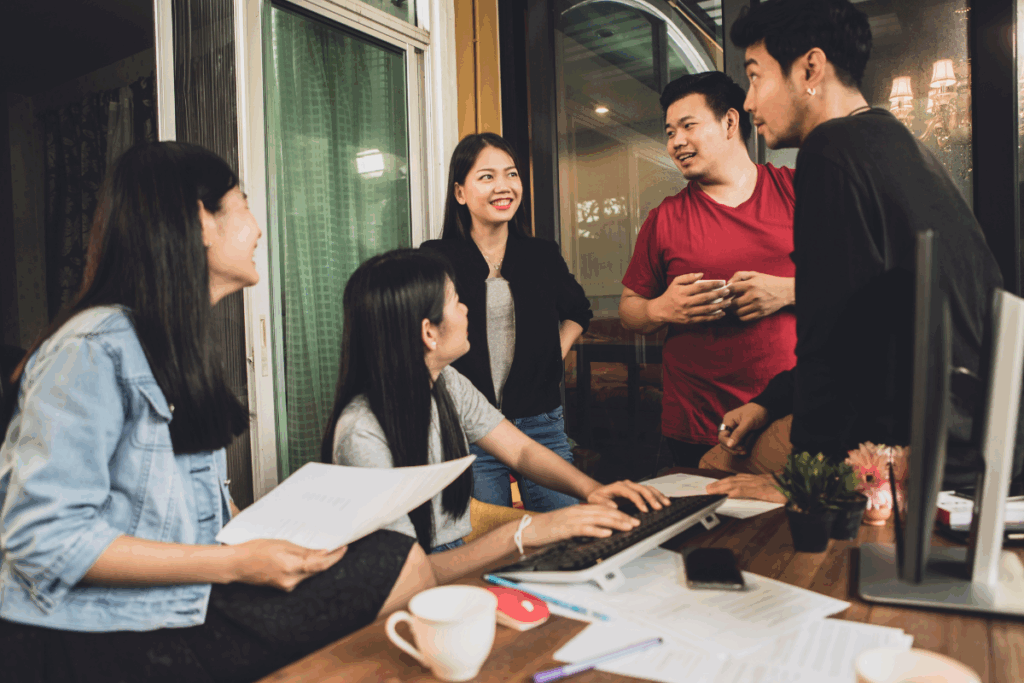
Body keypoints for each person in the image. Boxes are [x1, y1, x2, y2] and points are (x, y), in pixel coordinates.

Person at [0, 141, 438, 683]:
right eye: (244, 204)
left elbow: (187, 509)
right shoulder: (91, 348)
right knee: (400, 564)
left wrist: (270, 540)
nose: (257, 230)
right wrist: (234, 564)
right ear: (201, 221)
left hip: (178, 604)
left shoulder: (168, 344)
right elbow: (42, 538)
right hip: (92, 633)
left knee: (390, 555)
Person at [705, 0, 1011, 503]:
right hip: (973, 446)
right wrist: (770, 402)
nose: (751, 102)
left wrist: (802, 483)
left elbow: (828, 342)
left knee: (713, 469)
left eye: (756, 77)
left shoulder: (830, 150)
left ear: (810, 69)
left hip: (914, 462)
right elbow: (860, 324)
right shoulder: (896, 143)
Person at [324, 248, 670, 583]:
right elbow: (407, 577)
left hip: (456, 553)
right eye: (455, 301)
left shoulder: (444, 381)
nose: (466, 309)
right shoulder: (362, 435)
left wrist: (593, 490)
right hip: (421, 585)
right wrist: (521, 533)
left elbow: (520, 450)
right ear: (429, 332)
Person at [618, 71, 797, 468]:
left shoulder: (796, 191)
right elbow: (630, 307)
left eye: (688, 126)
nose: (676, 142)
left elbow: (855, 283)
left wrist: (787, 292)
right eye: (669, 132)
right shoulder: (664, 218)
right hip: (697, 424)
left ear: (730, 122)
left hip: (791, 417)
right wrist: (661, 309)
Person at [420, 133, 592, 511]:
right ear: (460, 193)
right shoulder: (436, 258)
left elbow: (579, 311)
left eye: (511, 174)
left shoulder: (541, 254)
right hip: (470, 428)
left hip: (541, 422)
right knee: (490, 534)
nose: (504, 186)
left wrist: (554, 355)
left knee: (567, 527)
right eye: (487, 177)